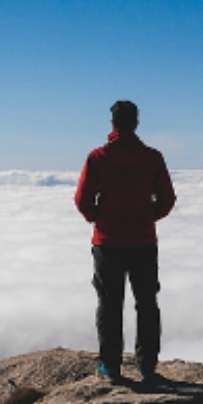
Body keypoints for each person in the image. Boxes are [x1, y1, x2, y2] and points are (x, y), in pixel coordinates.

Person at [74, 100, 177, 383]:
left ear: (113, 124)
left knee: (109, 303)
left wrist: (100, 219)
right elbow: (168, 199)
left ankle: (110, 365)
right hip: (143, 242)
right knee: (146, 302)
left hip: (107, 242)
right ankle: (147, 366)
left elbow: (82, 200)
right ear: (136, 123)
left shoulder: (98, 158)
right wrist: (147, 218)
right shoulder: (152, 158)